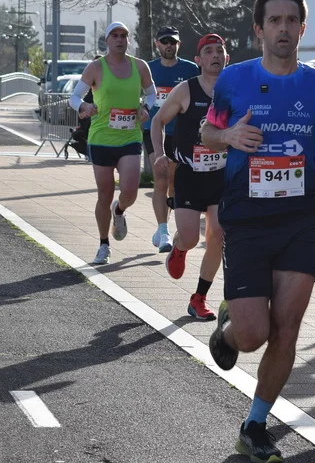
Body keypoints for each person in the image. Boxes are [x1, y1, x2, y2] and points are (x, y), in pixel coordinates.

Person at [201, 0, 315, 463]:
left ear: (302, 29)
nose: (283, 28)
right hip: (247, 218)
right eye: (275, 21)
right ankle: (228, 330)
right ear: (259, 30)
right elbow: (207, 133)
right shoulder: (234, 79)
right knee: (253, 334)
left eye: (292, 20)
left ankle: (255, 424)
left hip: (300, 219)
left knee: (286, 328)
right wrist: (229, 135)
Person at [151, 34, 229, 321]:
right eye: (208, 51)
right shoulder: (186, 90)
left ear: (227, 58)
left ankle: (199, 298)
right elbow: (158, 121)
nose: (215, 55)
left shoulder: (233, 91)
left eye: (219, 51)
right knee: (190, 237)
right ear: (198, 60)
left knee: (217, 235)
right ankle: (179, 248)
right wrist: (159, 153)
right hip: (189, 174)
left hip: (221, 175)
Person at [68, 21, 156, 266]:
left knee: (130, 191)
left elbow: (152, 93)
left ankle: (119, 211)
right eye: (115, 36)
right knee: (104, 194)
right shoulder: (96, 67)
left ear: (128, 40)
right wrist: (84, 106)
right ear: (106, 41)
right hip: (101, 138)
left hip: (129, 136)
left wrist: (146, 108)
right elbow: (73, 97)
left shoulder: (140, 66)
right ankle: (103, 245)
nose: (120, 39)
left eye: (124, 36)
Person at [144, 26, 200, 253]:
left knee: (174, 183)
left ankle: (169, 228)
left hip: (180, 132)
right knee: (160, 177)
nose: (169, 45)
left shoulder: (190, 69)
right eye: (165, 41)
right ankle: (163, 230)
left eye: (173, 42)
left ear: (178, 44)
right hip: (154, 129)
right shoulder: (148, 69)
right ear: (157, 44)